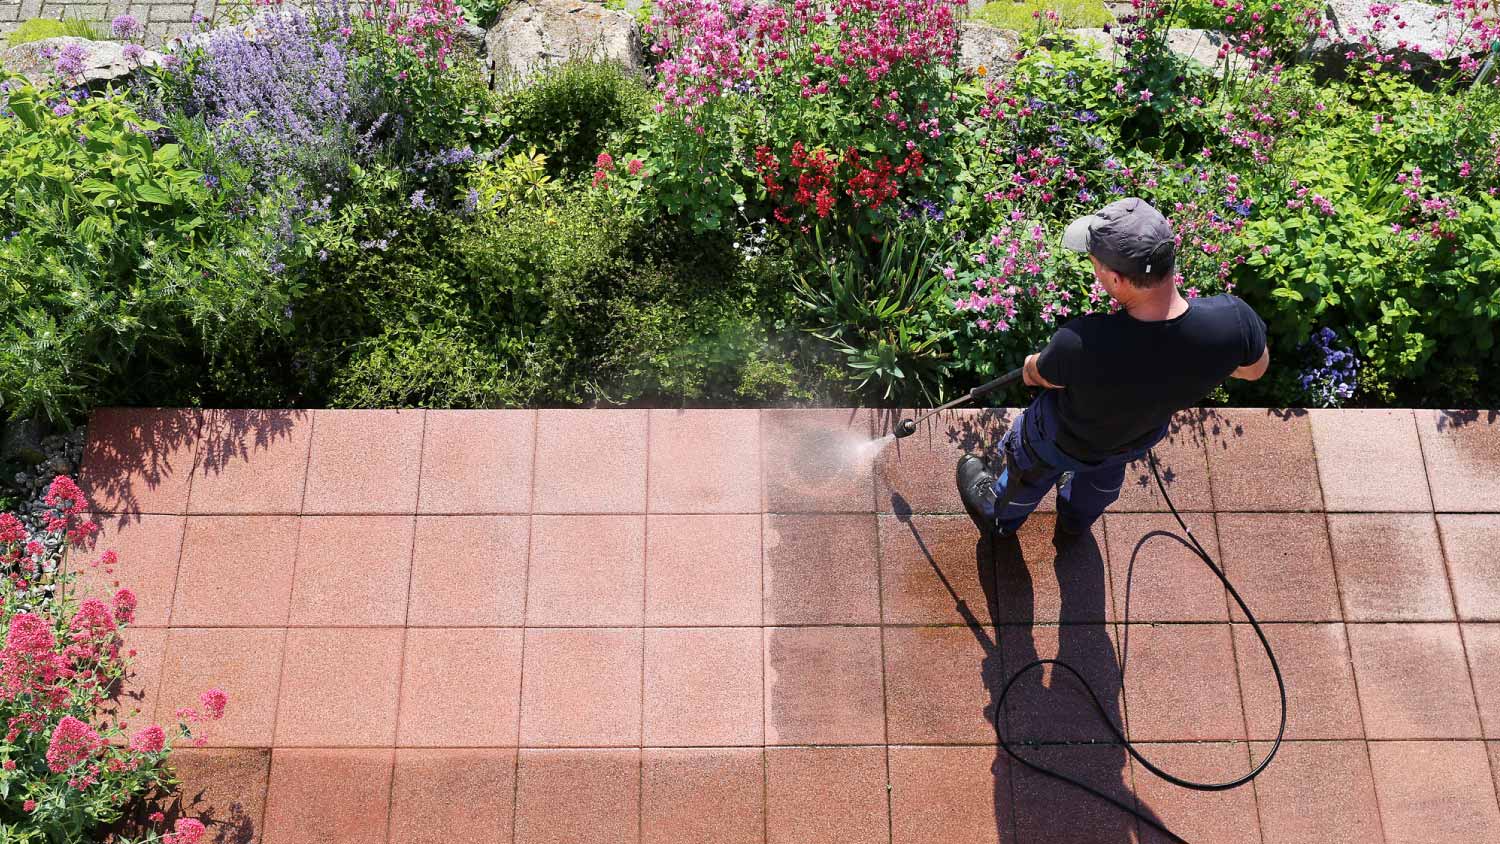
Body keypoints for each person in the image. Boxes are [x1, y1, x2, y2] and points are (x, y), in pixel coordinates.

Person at [958, 197, 1270, 539]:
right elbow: (1254, 370)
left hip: (1061, 438)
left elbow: (1038, 375)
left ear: (1118, 280)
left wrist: (1032, 363)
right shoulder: (1234, 321)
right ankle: (1075, 523)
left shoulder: (1082, 343)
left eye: (1095, 264)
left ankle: (1000, 516)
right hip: (1132, 438)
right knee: (1100, 482)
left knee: (1028, 472)